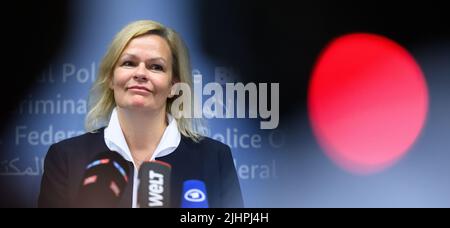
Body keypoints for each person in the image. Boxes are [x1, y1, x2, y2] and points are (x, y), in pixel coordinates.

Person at [38, 20, 243, 208]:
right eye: (129, 63)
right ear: (111, 77)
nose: (140, 73)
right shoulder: (66, 157)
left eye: (156, 66)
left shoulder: (214, 158)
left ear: (174, 85)